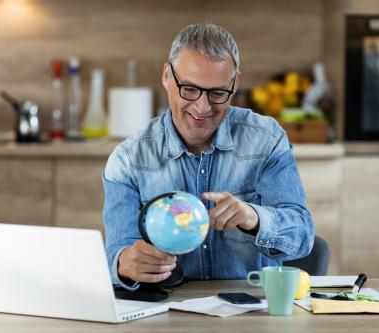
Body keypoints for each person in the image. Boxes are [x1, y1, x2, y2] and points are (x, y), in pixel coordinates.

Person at [103, 22, 314, 291]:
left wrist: (253, 217)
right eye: (189, 89)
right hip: (167, 313)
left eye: (217, 93)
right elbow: (115, 254)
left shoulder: (266, 140)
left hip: (251, 316)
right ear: (167, 76)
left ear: (235, 83)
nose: (202, 107)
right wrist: (125, 263)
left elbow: (302, 236)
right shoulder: (127, 161)